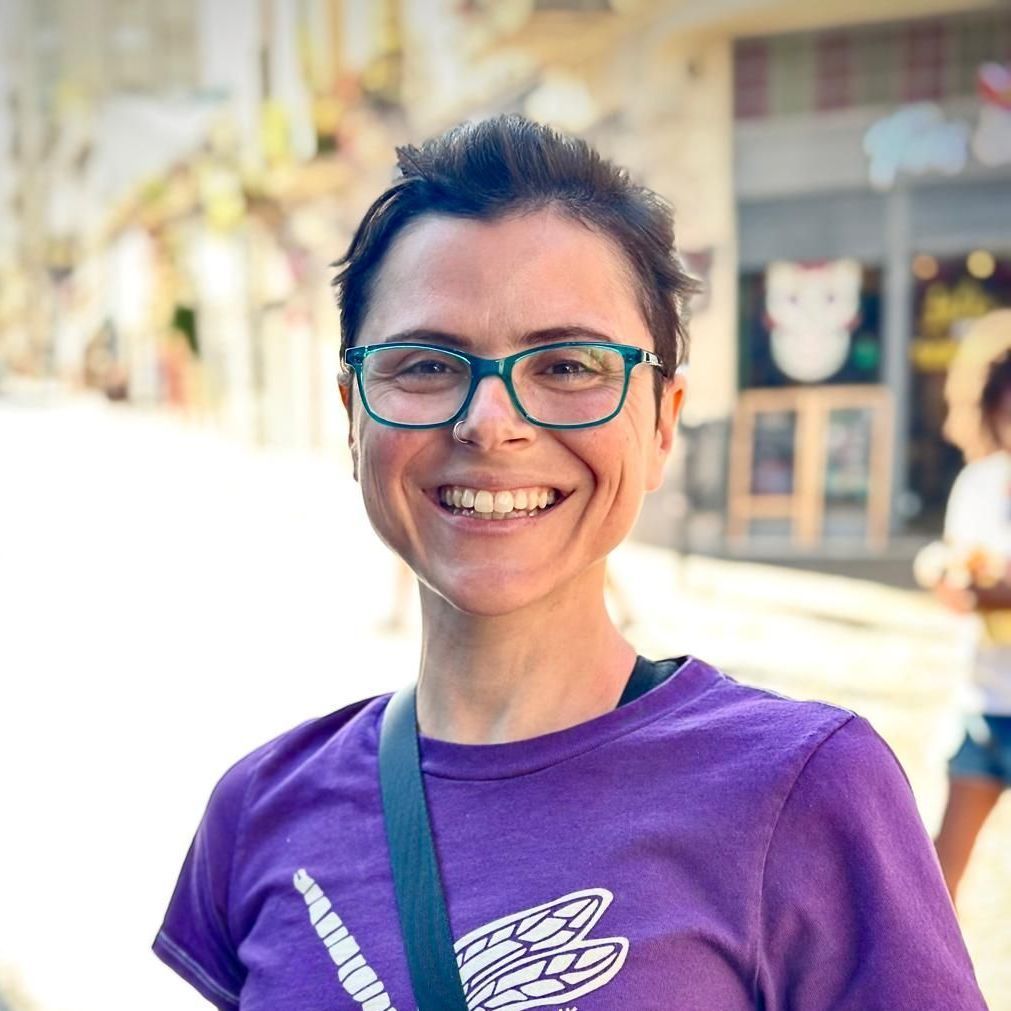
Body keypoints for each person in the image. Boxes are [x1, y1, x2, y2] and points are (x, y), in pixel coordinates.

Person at [153, 116, 986, 1010]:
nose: (489, 421)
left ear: (663, 421)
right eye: (427, 363)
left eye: (567, 364)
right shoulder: (260, 809)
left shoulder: (805, 789)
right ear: (354, 413)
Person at [934, 348, 1011, 902]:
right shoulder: (978, 483)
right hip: (981, 701)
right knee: (938, 878)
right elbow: (955, 560)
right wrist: (941, 574)